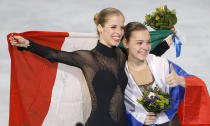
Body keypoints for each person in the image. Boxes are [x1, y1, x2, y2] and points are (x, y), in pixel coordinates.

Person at [9, 8, 174, 126]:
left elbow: (145, 55)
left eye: (122, 27)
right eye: (113, 27)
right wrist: (27, 44)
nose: (119, 31)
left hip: (123, 123)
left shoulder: (121, 55)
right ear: (100, 28)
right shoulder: (87, 58)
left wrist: (168, 40)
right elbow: (54, 55)